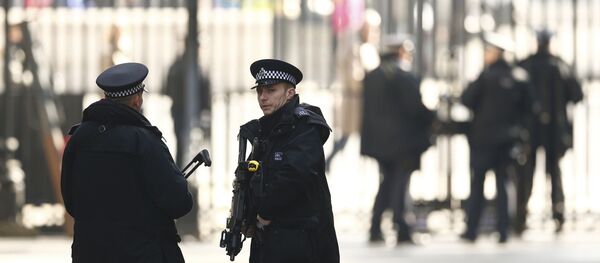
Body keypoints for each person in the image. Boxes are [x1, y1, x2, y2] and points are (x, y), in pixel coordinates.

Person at [61, 63, 193, 262]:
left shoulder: (79, 139)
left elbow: (71, 202)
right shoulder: (145, 142)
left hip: (90, 254)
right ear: (137, 100)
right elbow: (179, 202)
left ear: (106, 97)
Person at [240, 59, 339, 263]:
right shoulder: (264, 131)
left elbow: (295, 175)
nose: (263, 97)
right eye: (259, 91)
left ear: (290, 93)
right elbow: (253, 178)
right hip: (271, 243)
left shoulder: (304, 128)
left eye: (271, 90)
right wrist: (248, 216)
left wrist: (264, 213)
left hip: (301, 244)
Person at [459, 35, 534, 243]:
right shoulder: (520, 77)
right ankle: (503, 230)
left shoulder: (486, 77)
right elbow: (530, 109)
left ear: (496, 54)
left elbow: (466, 99)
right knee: (504, 185)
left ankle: (472, 229)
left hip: (483, 140)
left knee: (478, 185)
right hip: (508, 140)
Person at [360, 36, 435, 244]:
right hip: (402, 142)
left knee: (387, 183)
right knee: (400, 185)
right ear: (401, 51)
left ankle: (376, 227)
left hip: (379, 142)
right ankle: (401, 228)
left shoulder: (373, 75)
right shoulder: (404, 75)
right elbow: (416, 109)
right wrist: (433, 116)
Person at [515, 30, 583, 234]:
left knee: (527, 172)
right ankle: (557, 211)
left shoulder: (526, 65)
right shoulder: (560, 66)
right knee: (554, 171)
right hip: (553, 128)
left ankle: (521, 214)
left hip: (532, 128)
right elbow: (577, 94)